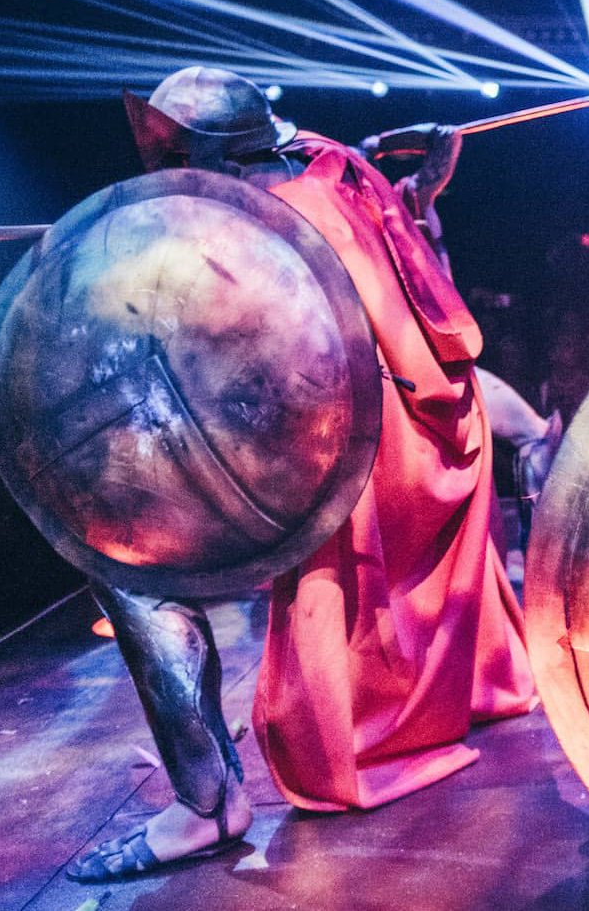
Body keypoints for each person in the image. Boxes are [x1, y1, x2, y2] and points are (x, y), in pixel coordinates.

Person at [69, 67, 542, 880]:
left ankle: (205, 806)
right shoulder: (331, 165)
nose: (163, 168)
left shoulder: (265, 223)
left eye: (175, 150)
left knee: (125, 561)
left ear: (210, 151)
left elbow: (258, 376)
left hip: (355, 449)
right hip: (425, 425)